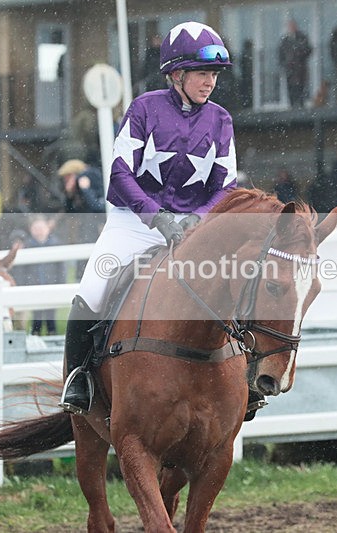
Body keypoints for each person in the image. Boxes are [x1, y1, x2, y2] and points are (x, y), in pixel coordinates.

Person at [59, 21, 248, 417]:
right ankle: (77, 379)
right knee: (91, 292)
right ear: (176, 74)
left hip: (192, 230)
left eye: (213, 74)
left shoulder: (221, 121)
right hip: (134, 223)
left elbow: (226, 186)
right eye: (201, 73)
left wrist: (195, 219)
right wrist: (156, 217)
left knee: (238, 287)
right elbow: (119, 172)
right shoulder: (144, 109)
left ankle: (246, 378)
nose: (209, 82)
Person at [12, 215, 66, 335]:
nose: (39, 231)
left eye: (42, 227)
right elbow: (21, 269)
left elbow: (61, 268)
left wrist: (61, 283)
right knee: (37, 315)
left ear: (48, 228)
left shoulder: (55, 245)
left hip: (51, 285)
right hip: (34, 285)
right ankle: (35, 335)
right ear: (31, 229)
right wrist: (23, 285)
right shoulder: (27, 246)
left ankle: (52, 335)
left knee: (50, 315)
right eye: (36, 228)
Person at [278, 19, 312, 108]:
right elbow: (281, 54)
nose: (291, 28)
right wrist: (284, 64)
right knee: (290, 88)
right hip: (290, 69)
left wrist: (299, 56)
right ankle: (292, 106)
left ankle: (301, 105)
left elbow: (308, 50)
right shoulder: (285, 40)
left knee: (301, 87)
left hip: (300, 68)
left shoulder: (302, 37)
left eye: (293, 26)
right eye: (290, 26)